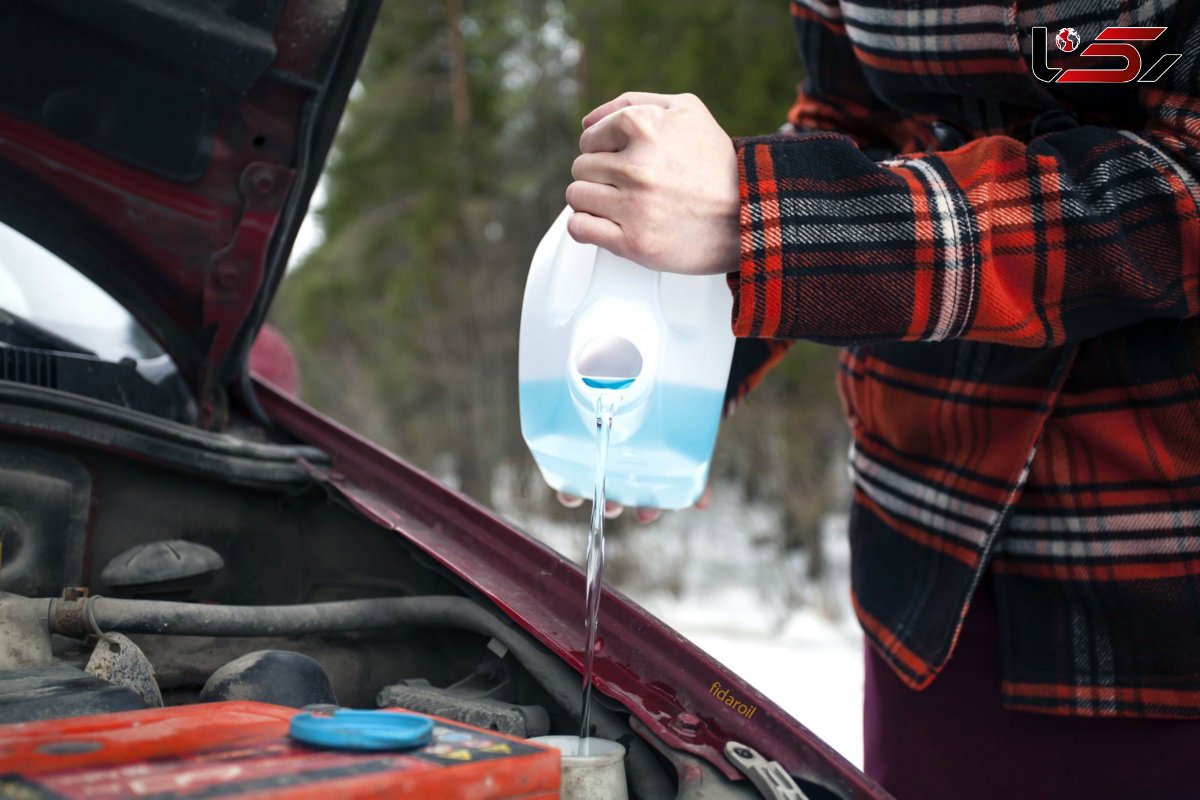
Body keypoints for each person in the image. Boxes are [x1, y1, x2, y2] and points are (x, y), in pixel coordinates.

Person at [563, 2, 1200, 798]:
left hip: (1159, 570)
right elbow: (853, 122)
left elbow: (1182, 189)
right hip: (925, 546)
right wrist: (687, 361)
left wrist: (766, 213)